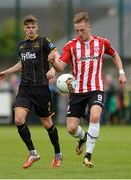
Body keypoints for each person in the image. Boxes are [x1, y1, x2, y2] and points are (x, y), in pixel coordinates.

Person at [48, 11, 126, 167]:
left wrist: (121, 72)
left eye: (82, 30)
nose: (79, 33)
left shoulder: (102, 43)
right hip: (77, 91)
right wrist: (53, 63)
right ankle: (82, 138)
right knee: (71, 128)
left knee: (95, 116)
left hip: (96, 88)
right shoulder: (71, 46)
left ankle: (88, 156)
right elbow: (61, 66)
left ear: (89, 26)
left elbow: (115, 55)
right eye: (77, 30)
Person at [0, 15, 62, 169]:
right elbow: (22, 63)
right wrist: (7, 72)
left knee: (47, 123)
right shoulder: (21, 45)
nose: (31, 29)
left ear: (36, 27)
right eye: (28, 27)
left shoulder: (44, 41)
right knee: (19, 119)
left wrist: (52, 69)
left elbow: (56, 56)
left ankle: (58, 154)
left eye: (33, 27)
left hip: (41, 89)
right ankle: (33, 153)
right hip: (24, 88)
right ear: (24, 28)